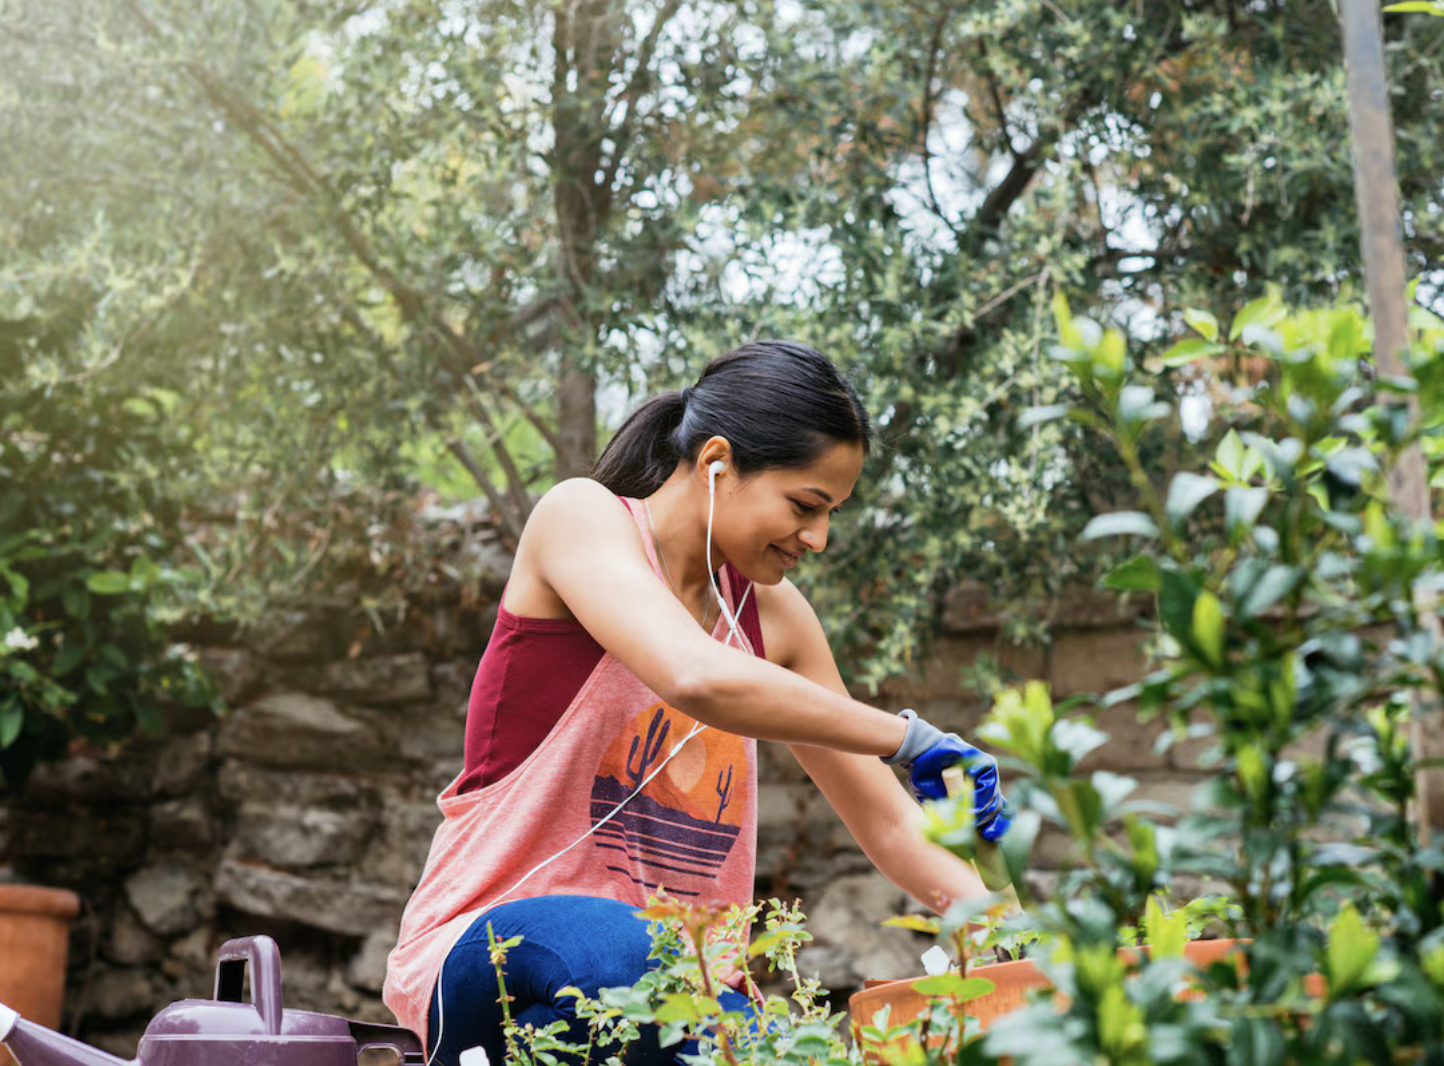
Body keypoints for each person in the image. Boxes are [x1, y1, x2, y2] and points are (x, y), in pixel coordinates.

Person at [383, 340, 1011, 1066]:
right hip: (492, 950)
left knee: (774, 1041)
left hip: (687, 1002)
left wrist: (1018, 940)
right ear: (717, 462)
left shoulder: (775, 617)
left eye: (833, 512)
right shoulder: (581, 520)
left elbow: (891, 824)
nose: (820, 538)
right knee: (644, 966)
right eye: (806, 505)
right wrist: (907, 738)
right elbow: (695, 675)